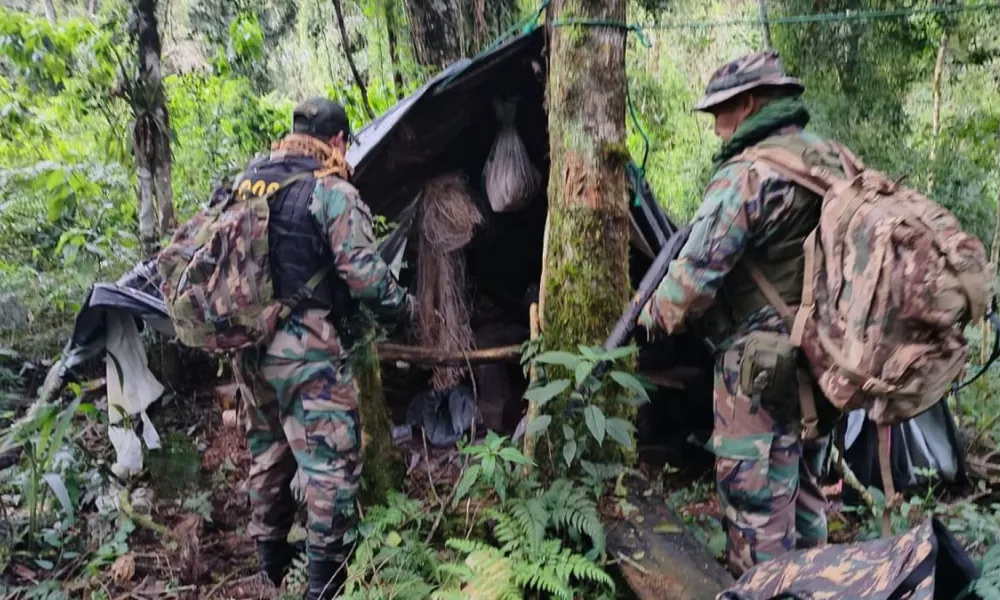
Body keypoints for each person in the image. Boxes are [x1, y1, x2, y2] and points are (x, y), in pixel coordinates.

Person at [637, 51, 842, 576]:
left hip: (759, 368)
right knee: (807, 489)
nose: (715, 128)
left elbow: (688, 287)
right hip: (826, 356)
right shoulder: (830, 159)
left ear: (748, 104)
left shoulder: (748, 174)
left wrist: (649, 319)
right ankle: (815, 583)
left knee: (756, 505)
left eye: (719, 113)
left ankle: (765, 585)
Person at [231, 98, 413, 599]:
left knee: (268, 452)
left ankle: (270, 568)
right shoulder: (330, 190)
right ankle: (323, 586)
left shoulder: (249, 180)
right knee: (332, 466)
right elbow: (366, 277)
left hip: (247, 344)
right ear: (337, 140)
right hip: (303, 348)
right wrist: (405, 309)